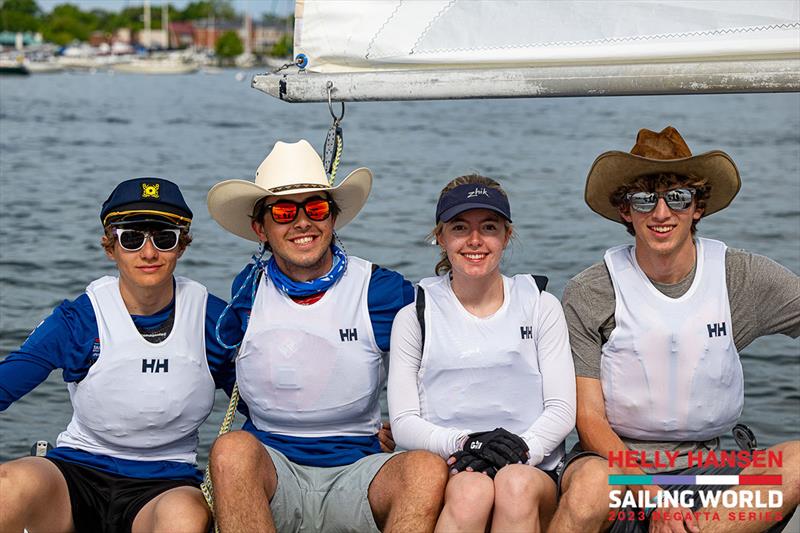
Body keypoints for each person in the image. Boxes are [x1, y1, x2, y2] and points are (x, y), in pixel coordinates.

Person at [549, 127, 800, 533]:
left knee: (796, 464)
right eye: (644, 199)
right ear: (625, 211)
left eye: (678, 197)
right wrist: (653, 497)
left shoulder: (741, 277)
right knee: (587, 489)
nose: (661, 213)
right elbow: (589, 417)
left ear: (697, 207)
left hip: (713, 468)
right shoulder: (590, 291)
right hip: (616, 470)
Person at [205, 139, 448, 533]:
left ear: (333, 218)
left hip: (359, 472)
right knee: (231, 450)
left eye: (315, 208)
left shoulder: (380, 290)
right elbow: (235, 373)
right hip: (273, 473)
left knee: (424, 468)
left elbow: (443, 360)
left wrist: (408, 423)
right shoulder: (246, 291)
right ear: (259, 229)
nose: (302, 222)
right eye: (283, 212)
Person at [0, 177, 240, 533]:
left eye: (163, 238)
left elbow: (265, 407)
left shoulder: (215, 322)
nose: (148, 253)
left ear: (181, 247)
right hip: (74, 476)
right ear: (111, 248)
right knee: (7, 485)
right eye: (131, 239)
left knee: (185, 520)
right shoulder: (79, 320)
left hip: (165, 485)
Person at [387, 174, 576, 532]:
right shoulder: (414, 314)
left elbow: (562, 409)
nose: (475, 241)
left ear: (506, 235)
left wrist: (519, 452)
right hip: (451, 465)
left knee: (514, 485)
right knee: (471, 490)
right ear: (440, 237)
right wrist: (465, 444)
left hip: (532, 467)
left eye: (488, 227)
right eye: (460, 228)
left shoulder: (540, 305)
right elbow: (404, 423)